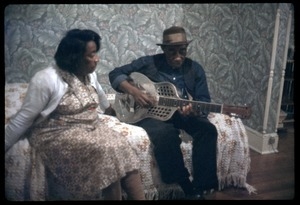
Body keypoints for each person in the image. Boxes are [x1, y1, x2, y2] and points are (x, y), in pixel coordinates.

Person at [5, 29, 145, 200]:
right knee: (107, 150)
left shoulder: (90, 75)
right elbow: (22, 119)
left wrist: (120, 116)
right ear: (74, 57)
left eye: (96, 53)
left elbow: (103, 103)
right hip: (55, 132)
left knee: (121, 145)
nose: (97, 59)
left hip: (89, 127)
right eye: (91, 55)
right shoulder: (46, 79)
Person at [109, 26, 218, 200]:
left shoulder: (195, 69)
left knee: (208, 130)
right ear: (163, 49)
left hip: (182, 113)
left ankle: (202, 187)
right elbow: (115, 73)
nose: (177, 57)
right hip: (148, 112)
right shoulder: (148, 62)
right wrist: (134, 92)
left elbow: (204, 101)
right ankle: (184, 184)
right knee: (165, 133)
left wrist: (194, 112)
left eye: (182, 51)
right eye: (172, 51)